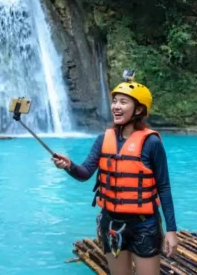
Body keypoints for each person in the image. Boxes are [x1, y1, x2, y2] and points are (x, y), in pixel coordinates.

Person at [53, 70, 178, 275]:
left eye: (123, 102)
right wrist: (69, 165)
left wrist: (171, 230)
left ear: (138, 109)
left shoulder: (152, 143)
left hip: (144, 225)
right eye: (115, 102)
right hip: (111, 223)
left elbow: (163, 187)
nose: (116, 107)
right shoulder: (104, 139)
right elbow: (84, 173)